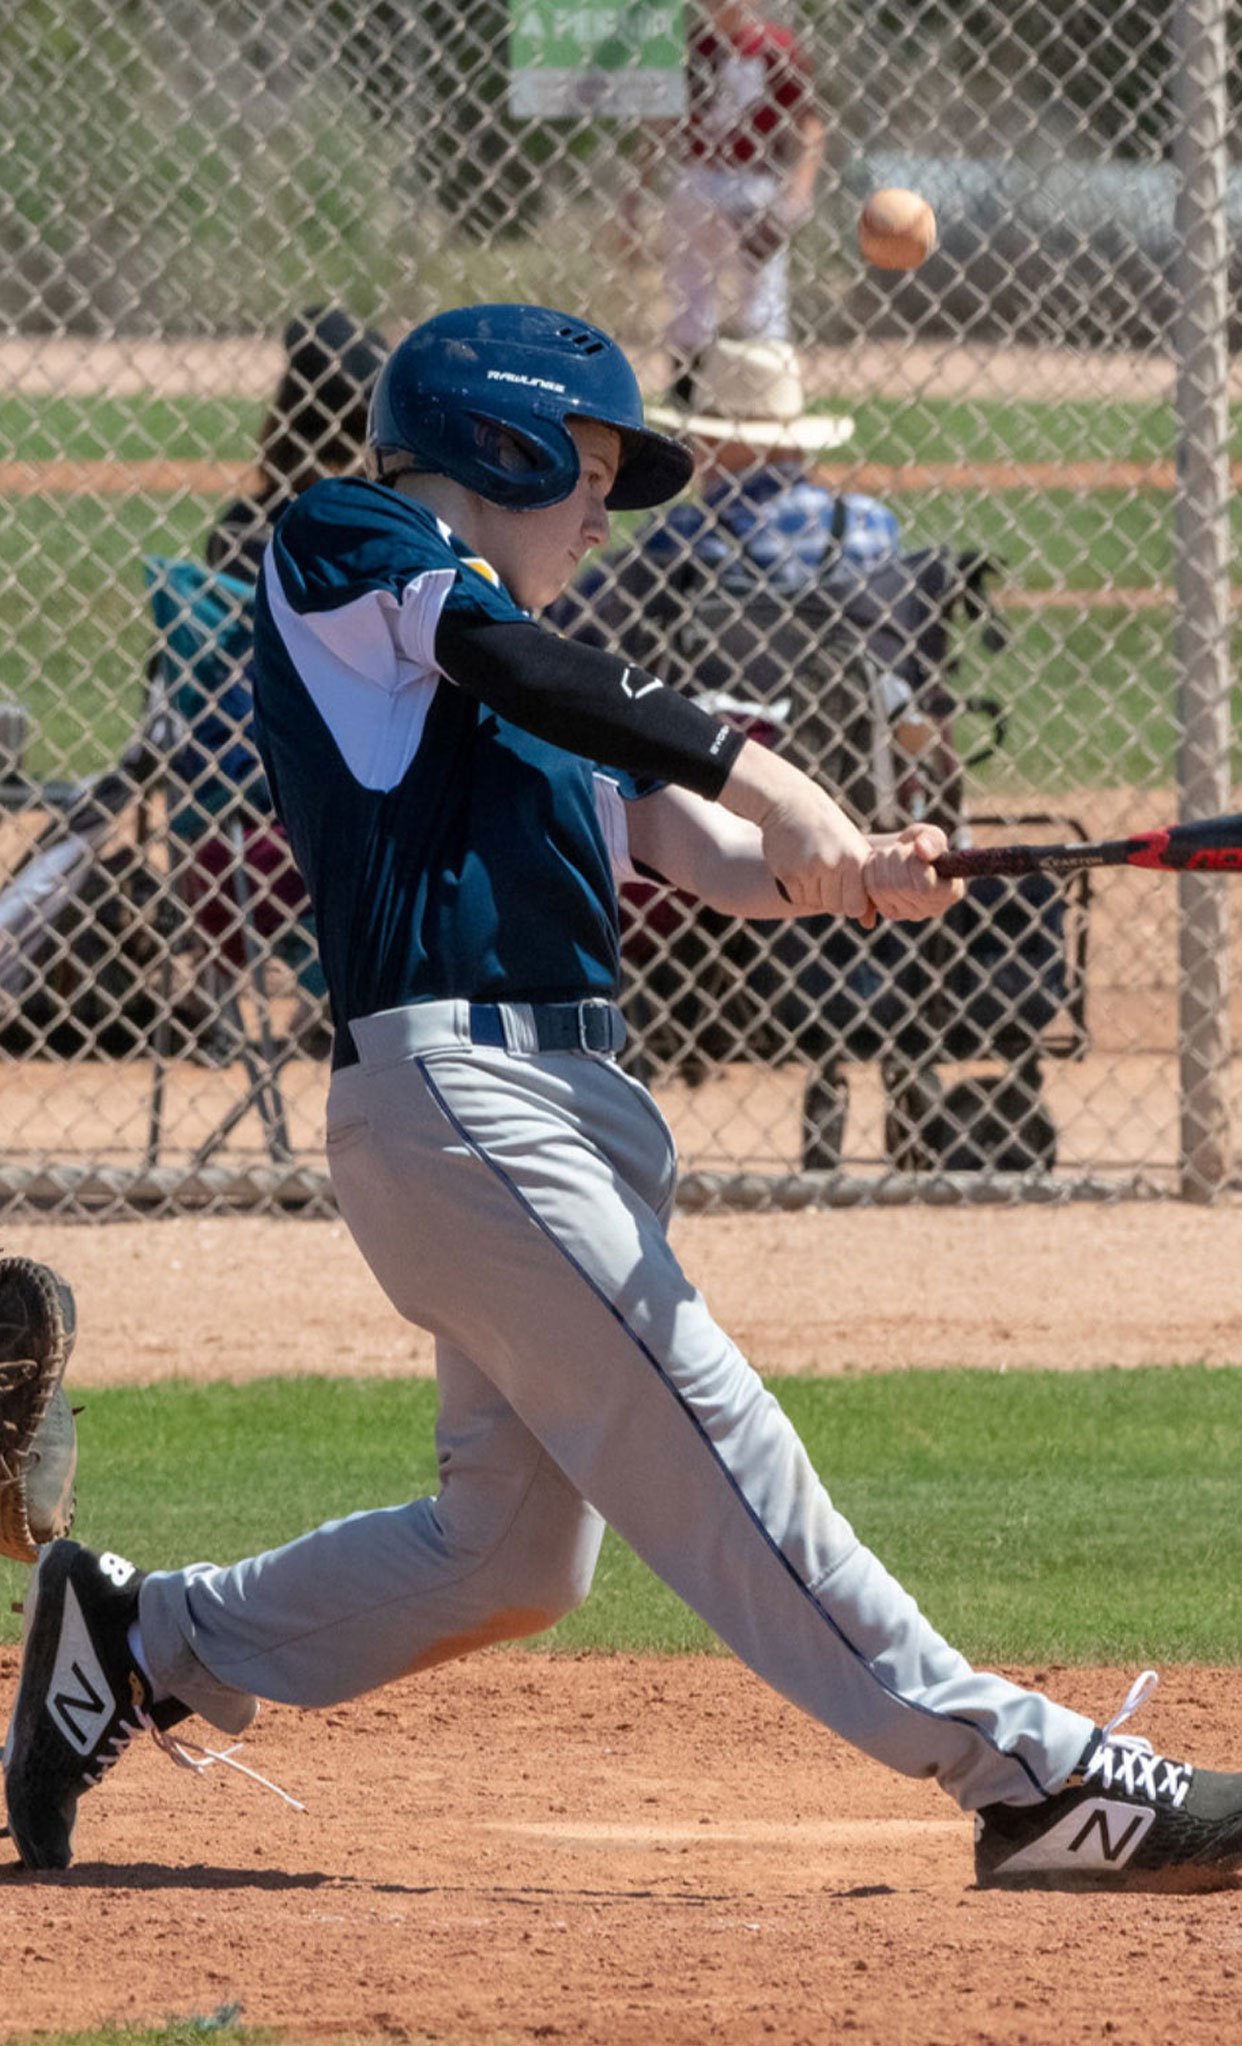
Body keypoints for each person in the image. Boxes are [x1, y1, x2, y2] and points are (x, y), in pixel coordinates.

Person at [6, 302, 1242, 1894]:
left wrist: (849, 867)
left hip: (565, 1108)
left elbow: (702, 843)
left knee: (512, 1554)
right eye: (588, 467)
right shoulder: (355, 545)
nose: (604, 507)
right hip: (464, 1098)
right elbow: (540, 671)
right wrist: (774, 782)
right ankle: (1030, 1774)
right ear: (498, 444)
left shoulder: (527, 680)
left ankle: (140, 1632)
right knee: (710, 1429)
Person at [548, 334, 962, 1168]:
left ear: (728, 441)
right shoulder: (871, 529)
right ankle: (898, 1057)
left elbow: (575, 636)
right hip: (868, 772)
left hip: (724, 787)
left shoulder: (686, 542)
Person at [155, 306, 389, 1046]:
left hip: (217, 840)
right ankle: (336, 997)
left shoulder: (240, 528)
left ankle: (220, 985)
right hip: (337, 836)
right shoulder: (376, 532)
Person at [623, 0, 825, 390]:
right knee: (689, 295)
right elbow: (659, 125)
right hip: (697, 178)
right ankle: (688, 398)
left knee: (763, 300)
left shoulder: (774, 47)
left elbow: (810, 125)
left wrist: (796, 195)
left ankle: (764, 398)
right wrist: (636, 193)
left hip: (754, 181)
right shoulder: (694, 47)